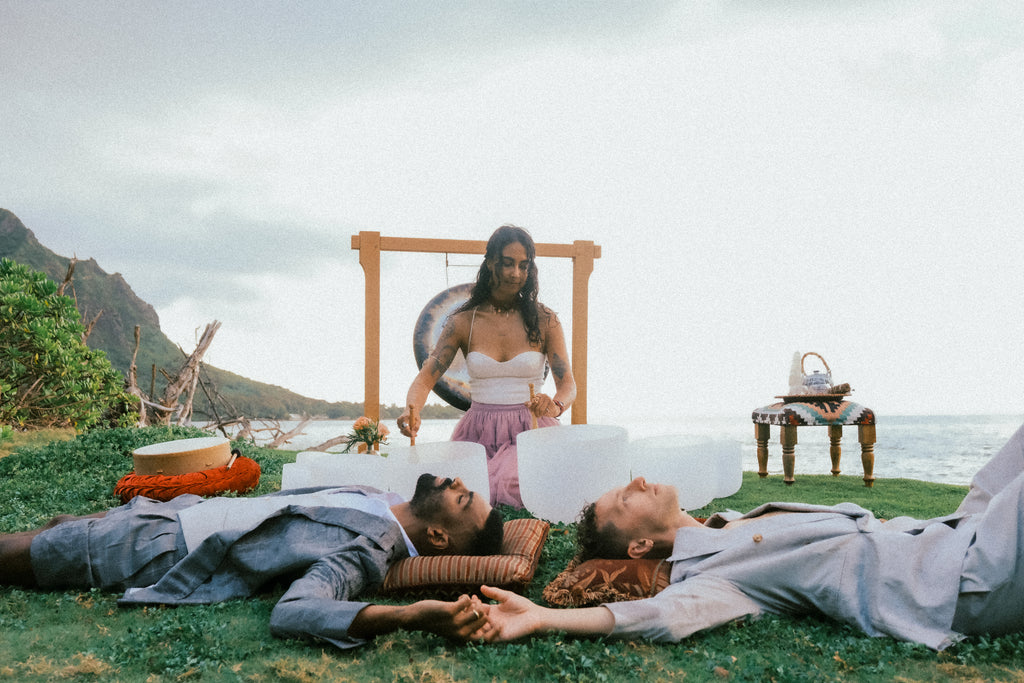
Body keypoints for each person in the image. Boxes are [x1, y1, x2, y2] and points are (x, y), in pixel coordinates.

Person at [478, 423, 1024, 651]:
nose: (638, 481)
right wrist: (543, 617)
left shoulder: (731, 520)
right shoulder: (710, 578)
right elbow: (656, 618)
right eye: (628, 498)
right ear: (640, 547)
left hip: (947, 531)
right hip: (958, 580)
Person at [0, 473, 502, 650]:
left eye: (461, 498)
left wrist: (409, 616)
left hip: (160, 547)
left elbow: (296, 609)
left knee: (26, 553)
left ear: (438, 537)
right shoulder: (384, 496)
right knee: (52, 528)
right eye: (463, 487)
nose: (454, 481)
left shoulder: (368, 550)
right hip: (179, 512)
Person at [398, 225, 577, 508]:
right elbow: (425, 379)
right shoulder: (462, 321)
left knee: (516, 484)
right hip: (476, 432)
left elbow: (568, 384)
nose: (515, 274)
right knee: (457, 493)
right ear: (491, 263)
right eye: (507, 264)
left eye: (523, 265)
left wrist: (554, 406)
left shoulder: (546, 319)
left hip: (531, 429)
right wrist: (412, 410)